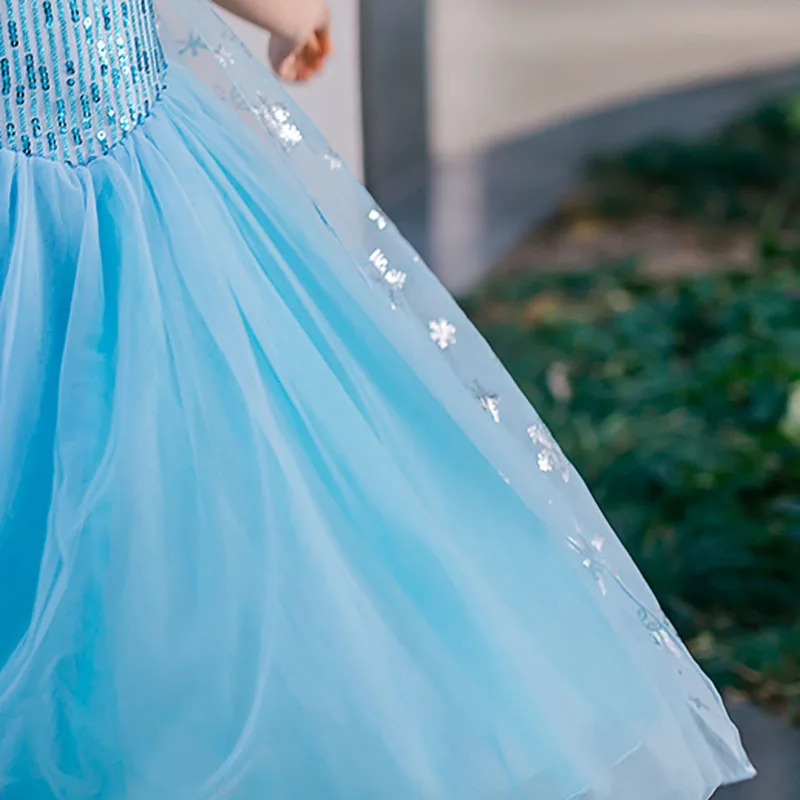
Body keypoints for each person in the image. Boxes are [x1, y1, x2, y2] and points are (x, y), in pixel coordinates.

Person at [0, 0, 755, 797]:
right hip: (127, 199)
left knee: (145, 537)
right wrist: (294, 12)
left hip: (123, 186)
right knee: (182, 532)